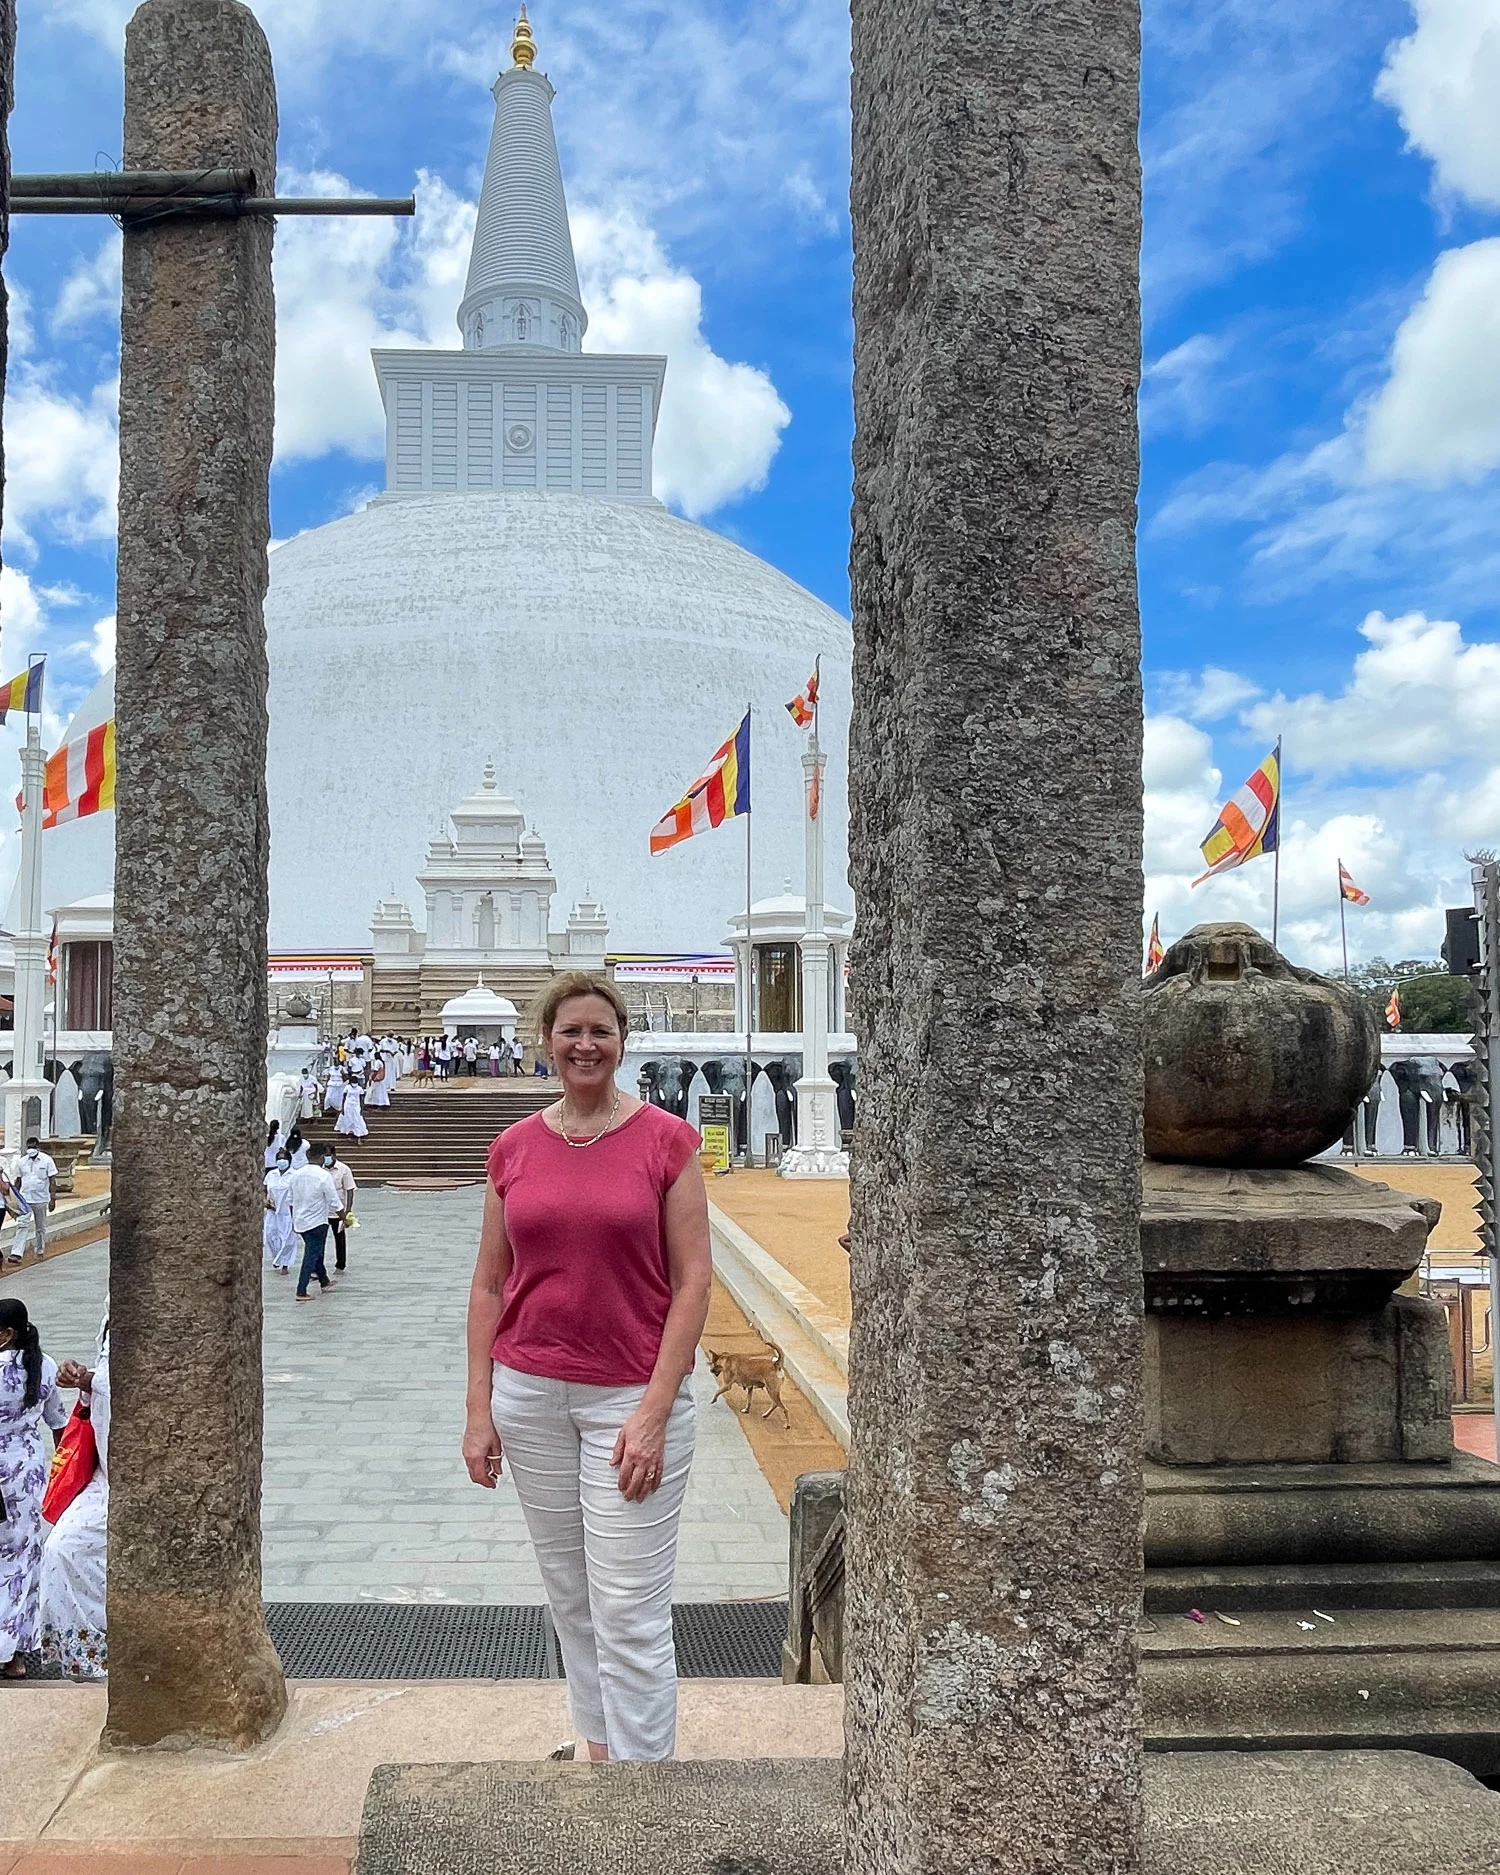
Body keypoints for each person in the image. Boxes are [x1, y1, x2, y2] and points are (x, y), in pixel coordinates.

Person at [463, 973, 712, 1763]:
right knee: (571, 1597)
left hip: (631, 1394)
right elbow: (489, 1283)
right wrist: (478, 1409)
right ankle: (603, 1754)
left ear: (622, 1041)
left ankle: (645, 1789)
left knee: (629, 1607)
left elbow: (695, 1279)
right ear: (546, 1040)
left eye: (600, 1030)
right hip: (530, 1392)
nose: (585, 1044)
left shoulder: (666, 1141)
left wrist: (656, 1411)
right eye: (570, 1030)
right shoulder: (515, 1147)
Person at [0, 1300, 70, 1678]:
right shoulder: (44, 1366)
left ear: (6, 1334)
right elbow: (59, 1425)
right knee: (23, 1560)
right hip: (26, 1474)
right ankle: (14, 1655)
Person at [40, 1330, 109, 1681]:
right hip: (105, 1473)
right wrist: (84, 1378)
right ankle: (87, 1658)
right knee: (60, 1548)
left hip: (142, 1475)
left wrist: (87, 1379)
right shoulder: (110, 1321)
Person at [287, 1150, 344, 1301]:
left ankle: (324, 1281)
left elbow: (290, 1200)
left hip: (300, 1221)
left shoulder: (296, 1175)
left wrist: (294, 1219)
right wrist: (343, 1217)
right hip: (317, 1222)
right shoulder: (323, 1175)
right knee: (311, 1255)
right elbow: (334, 1200)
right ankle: (301, 1290)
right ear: (320, 1157)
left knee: (315, 1251)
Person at [8, 1138, 57, 1264]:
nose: (31, 1150)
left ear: (38, 1147)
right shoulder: (21, 1162)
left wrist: (53, 1198)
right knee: (22, 1224)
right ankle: (16, 1253)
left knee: (40, 1227)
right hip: (25, 1199)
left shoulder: (47, 1160)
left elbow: (52, 1180)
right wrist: (14, 1199)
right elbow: (18, 1181)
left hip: (41, 1198)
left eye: (33, 1147)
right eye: (29, 1147)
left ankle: (40, 1249)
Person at [325, 1144, 357, 1273]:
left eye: (328, 1155)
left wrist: (348, 1211)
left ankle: (340, 1264)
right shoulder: (319, 1169)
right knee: (319, 1239)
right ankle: (316, 1267)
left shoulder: (344, 1169)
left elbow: (349, 1190)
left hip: (338, 1211)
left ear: (334, 1155)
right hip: (322, 1211)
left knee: (339, 1238)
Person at [263, 1148, 297, 1273]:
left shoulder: (294, 1175)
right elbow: (265, 1188)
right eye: (279, 1159)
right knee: (270, 1235)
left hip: (287, 1211)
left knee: (287, 1238)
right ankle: (277, 1258)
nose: (281, 1161)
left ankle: (285, 1264)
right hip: (272, 1211)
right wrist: (266, 1201)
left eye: (284, 1159)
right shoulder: (271, 1174)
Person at [335, 1078, 368, 1142]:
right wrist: (342, 1107)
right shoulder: (347, 1087)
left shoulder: (359, 1089)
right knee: (347, 1118)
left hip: (356, 1105)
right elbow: (344, 1098)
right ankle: (346, 1132)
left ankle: (358, 1134)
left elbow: (361, 1099)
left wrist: (361, 1109)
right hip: (348, 1105)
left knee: (357, 1119)